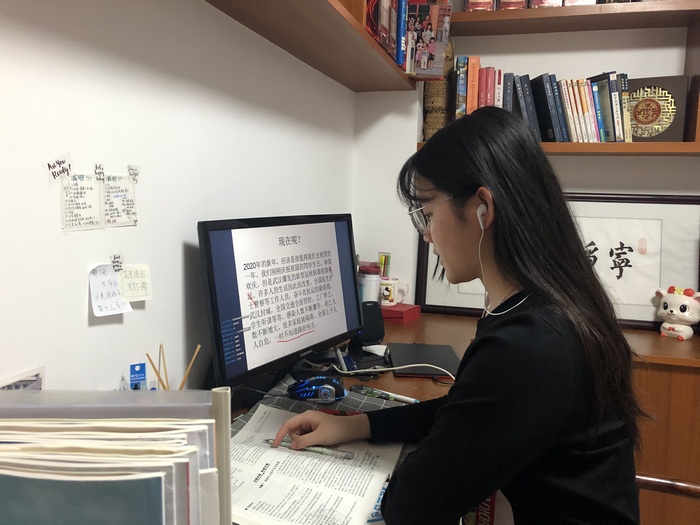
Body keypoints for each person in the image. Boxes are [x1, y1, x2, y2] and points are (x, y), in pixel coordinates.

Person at [273, 107, 643, 525]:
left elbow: (412, 507)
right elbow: (467, 413)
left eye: (428, 214)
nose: (426, 234)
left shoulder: (530, 345)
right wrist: (356, 425)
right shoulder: (543, 308)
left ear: (483, 208)